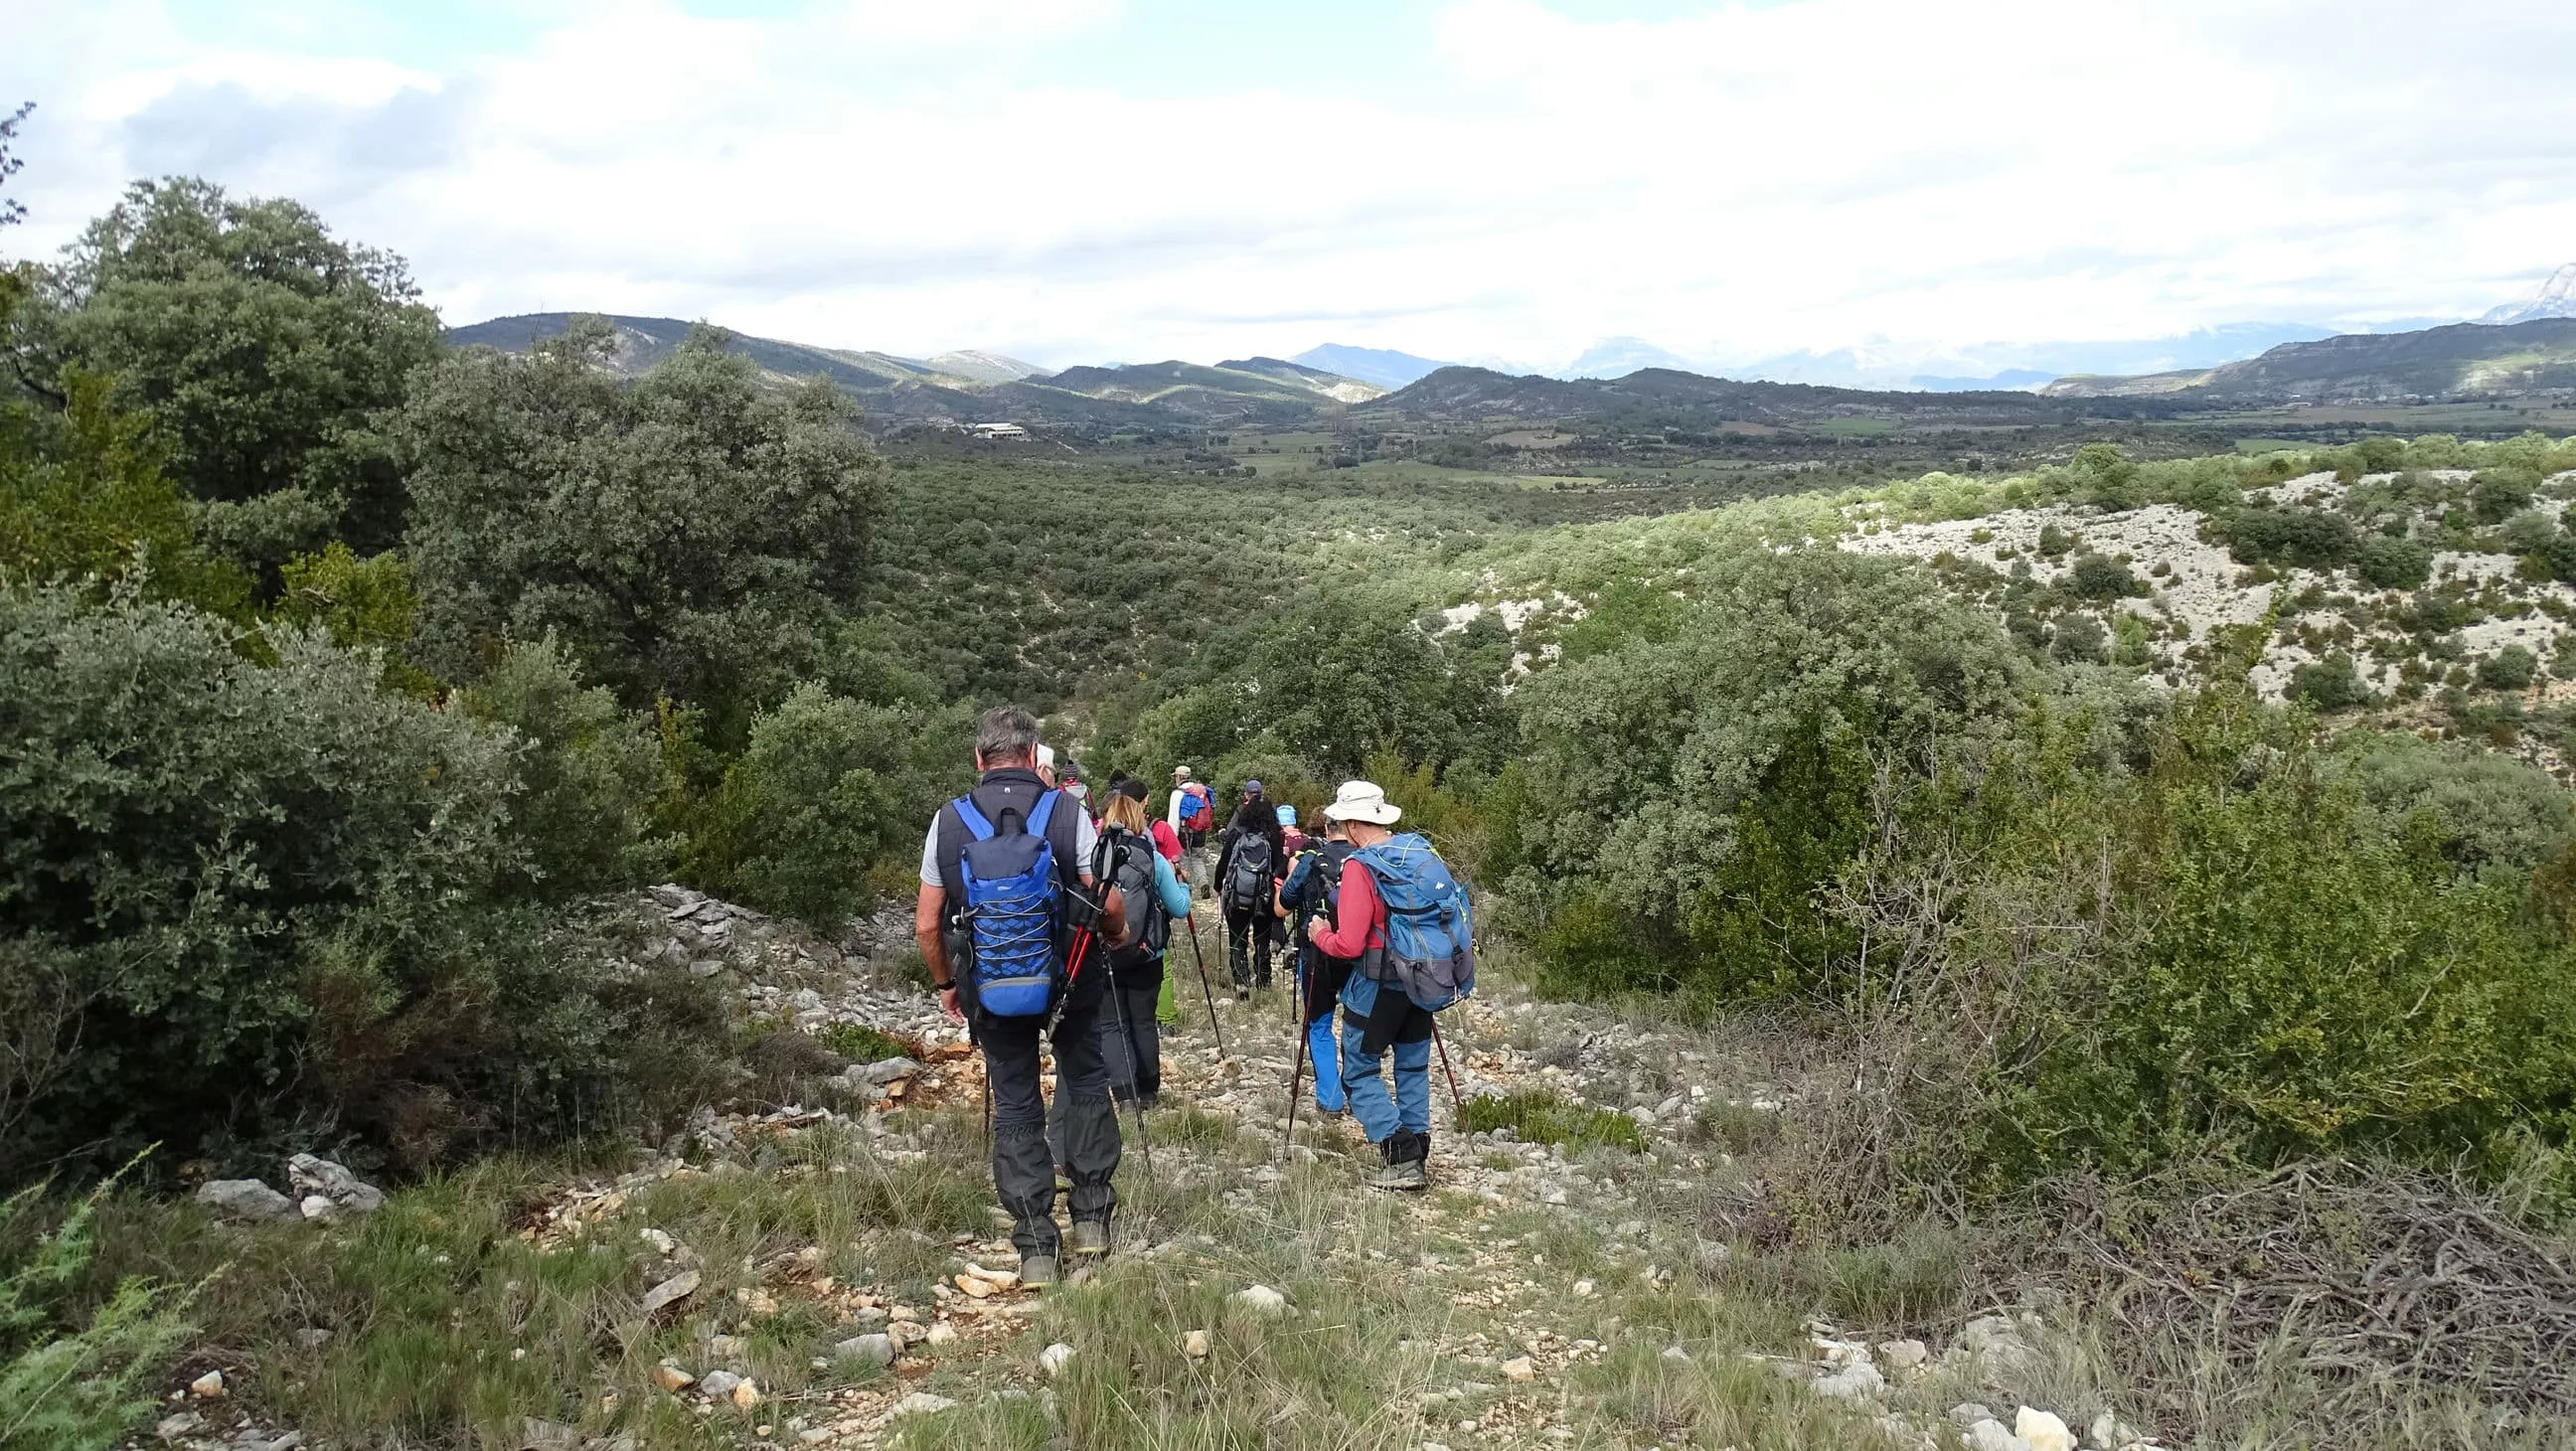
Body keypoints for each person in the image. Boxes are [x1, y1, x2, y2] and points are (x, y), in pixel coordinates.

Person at [915, 707, 1124, 1283]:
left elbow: (928, 925)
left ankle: (1035, 1246)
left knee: (1015, 1106)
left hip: (991, 987)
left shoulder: (948, 821)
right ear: (1034, 757)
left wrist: (948, 986)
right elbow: (1104, 901)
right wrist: (1119, 933)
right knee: (1084, 1083)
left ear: (979, 759)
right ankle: (1092, 1220)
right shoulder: (1066, 810)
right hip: (1071, 978)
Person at [1048, 782, 1190, 1188]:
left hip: (1105, 953)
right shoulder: (1152, 857)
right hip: (1146, 955)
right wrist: (1182, 886)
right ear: (1140, 819)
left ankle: (1124, 1095)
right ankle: (1148, 1092)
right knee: (1143, 1022)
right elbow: (1179, 908)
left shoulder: (1092, 856)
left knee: (1111, 1026)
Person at [1304, 779, 1437, 1191]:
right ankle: (1418, 1146)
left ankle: (1401, 1156)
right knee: (1412, 1067)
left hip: (1378, 984)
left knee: (1359, 1072)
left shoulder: (1362, 867)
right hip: (1424, 980)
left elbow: (1349, 943)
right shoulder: (1418, 851)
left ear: (1354, 824)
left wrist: (1319, 934)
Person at [1276, 812, 1357, 1116]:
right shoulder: (1365, 859)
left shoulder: (1310, 861)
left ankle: (1331, 1098)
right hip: (1358, 957)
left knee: (1319, 1026)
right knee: (1355, 1023)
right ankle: (1358, 1090)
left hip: (1316, 955)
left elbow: (1282, 907)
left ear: (1326, 828)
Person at [1212, 779, 1286, 998]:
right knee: (1262, 939)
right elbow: (1280, 867)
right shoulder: (1274, 836)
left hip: (1238, 896)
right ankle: (1264, 980)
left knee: (1237, 938)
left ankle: (1241, 982)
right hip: (1264, 897)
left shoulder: (1238, 833)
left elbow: (1224, 862)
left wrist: (1218, 887)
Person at [1169, 766, 1214, 854]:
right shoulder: (1200, 790)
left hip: (1184, 834)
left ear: (1179, 777)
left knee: (1184, 862)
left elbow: (1173, 820)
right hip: (1201, 833)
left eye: (1176, 776)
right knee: (1198, 861)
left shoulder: (1177, 793)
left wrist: (1171, 841)